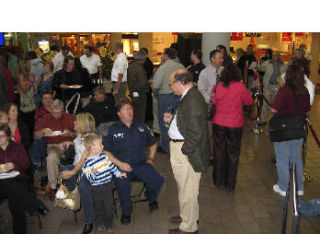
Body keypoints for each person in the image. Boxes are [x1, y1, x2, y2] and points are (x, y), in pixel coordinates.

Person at [60, 112, 132, 234]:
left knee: (82, 184)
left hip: (86, 168)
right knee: (62, 171)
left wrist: (73, 172)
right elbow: (79, 142)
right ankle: (74, 195)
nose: (74, 122)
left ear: (83, 124)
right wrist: (70, 143)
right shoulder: (80, 135)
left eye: (76, 121)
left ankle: (89, 220)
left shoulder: (92, 140)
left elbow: (84, 159)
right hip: (78, 165)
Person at [103, 98, 164, 225]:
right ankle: (126, 212)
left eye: (130, 108)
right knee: (123, 186)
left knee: (158, 180)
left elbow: (153, 143)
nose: (129, 111)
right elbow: (105, 151)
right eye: (125, 109)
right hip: (121, 166)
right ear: (119, 113)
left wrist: (151, 158)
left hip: (141, 164)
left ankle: (151, 197)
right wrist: (120, 164)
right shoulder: (112, 130)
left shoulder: (141, 126)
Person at [163, 69, 209, 234]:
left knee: (188, 190)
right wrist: (173, 121)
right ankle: (187, 216)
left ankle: (188, 227)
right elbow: (188, 122)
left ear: (181, 83)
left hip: (185, 151)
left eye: (171, 84)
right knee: (186, 188)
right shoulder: (189, 96)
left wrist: (185, 151)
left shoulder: (193, 99)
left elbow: (196, 132)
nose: (170, 87)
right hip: (181, 147)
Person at [210, 64, 252, 190]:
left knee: (219, 151)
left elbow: (212, 101)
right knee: (233, 153)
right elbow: (249, 101)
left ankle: (218, 179)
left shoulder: (218, 86)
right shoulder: (240, 87)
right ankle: (230, 182)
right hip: (235, 123)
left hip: (219, 122)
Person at [0, 124, 48, 234]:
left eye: (2, 136)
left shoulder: (17, 147)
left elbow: (26, 164)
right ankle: (35, 204)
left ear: (8, 137)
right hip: (1, 183)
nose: (0, 139)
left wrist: (14, 165)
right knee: (12, 188)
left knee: (15, 201)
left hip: (18, 178)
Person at [270, 65, 310, 197]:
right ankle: (299, 187)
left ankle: (283, 186)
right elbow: (307, 109)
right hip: (298, 128)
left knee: (282, 158)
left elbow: (274, 109)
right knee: (296, 158)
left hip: (283, 130)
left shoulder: (284, 91)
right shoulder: (304, 91)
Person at [83, 133, 126, 233]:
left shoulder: (104, 157)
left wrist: (119, 173)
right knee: (99, 208)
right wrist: (93, 173)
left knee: (109, 207)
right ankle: (100, 223)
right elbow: (90, 179)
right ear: (92, 148)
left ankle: (109, 224)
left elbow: (112, 167)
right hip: (96, 189)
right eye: (100, 144)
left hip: (107, 186)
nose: (103, 146)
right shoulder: (87, 163)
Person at [34, 99, 76, 200]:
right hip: (53, 145)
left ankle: (73, 185)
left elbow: (78, 134)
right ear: (50, 110)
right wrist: (43, 131)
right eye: (54, 113)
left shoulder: (69, 117)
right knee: (51, 158)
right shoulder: (45, 118)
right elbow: (35, 136)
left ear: (63, 110)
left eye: (59, 113)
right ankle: (53, 187)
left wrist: (70, 133)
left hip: (69, 144)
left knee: (75, 154)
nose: (57, 115)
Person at [152, 48, 184, 153]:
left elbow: (155, 84)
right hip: (179, 96)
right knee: (177, 120)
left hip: (165, 97)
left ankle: (166, 147)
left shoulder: (163, 67)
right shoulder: (181, 66)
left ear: (166, 55)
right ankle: (178, 144)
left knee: (165, 123)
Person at [198, 49, 224, 161]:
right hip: (210, 106)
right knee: (209, 132)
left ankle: (218, 153)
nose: (221, 60)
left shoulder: (224, 71)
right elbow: (201, 90)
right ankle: (209, 155)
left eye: (222, 58)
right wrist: (211, 100)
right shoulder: (205, 72)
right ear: (212, 59)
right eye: (219, 58)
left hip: (223, 107)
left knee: (220, 132)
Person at [259, 50, 287, 125]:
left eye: (275, 55)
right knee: (266, 103)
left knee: (276, 104)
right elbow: (260, 68)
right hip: (268, 85)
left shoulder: (283, 65)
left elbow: (285, 76)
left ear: (279, 56)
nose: (274, 57)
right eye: (273, 55)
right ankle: (263, 119)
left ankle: (274, 120)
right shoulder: (267, 63)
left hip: (278, 86)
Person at [32, 92, 53, 168]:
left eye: (50, 98)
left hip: (58, 132)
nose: (48, 100)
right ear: (42, 100)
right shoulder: (39, 111)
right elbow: (38, 126)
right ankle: (36, 162)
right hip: (45, 133)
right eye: (45, 98)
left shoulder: (57, 108)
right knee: (39, 138)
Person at [127, 50, 149, 122]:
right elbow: (142, 83)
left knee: (135, 112)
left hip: (133, 92)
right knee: (140, 113)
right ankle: (140, 129)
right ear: (144, 59)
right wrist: (148, 87)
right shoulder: (140, 69)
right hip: (140, 93)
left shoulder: (131, 66)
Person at [17, 73, 36, 138]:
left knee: (32, 125)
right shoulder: (19, 88)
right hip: (23, 111)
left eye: (25, 80)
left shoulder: (31, 85)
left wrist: (30, 83)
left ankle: (31, 139)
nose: (24, 82)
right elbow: (24, 89)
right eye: (21, 81)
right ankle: (27, 138)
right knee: (25, 126)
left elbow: (33, 89)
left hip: (31, 110)